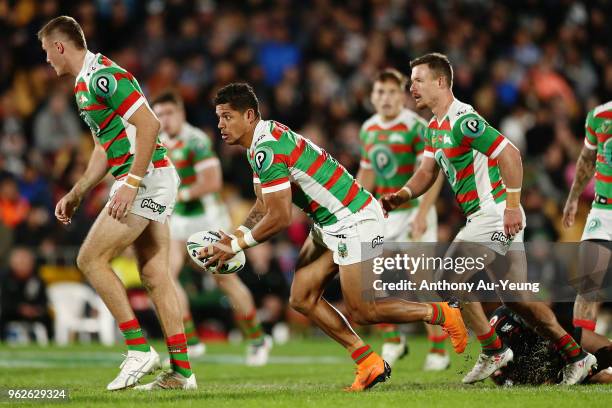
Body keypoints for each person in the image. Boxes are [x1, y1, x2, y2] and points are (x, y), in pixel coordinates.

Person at [201, 82, 467, 391]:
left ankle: (442, 312)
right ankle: (368, 362)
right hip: (330, 221)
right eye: (218, 117)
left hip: (353, 220)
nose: (220, 125)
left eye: (226, 117)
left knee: (363, 311)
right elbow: (264, 205)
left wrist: (235, 245)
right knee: (301, 297)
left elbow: (280, 217)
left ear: (249, 116)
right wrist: (235, 236)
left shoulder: (266, 148)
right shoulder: (261, 141)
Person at [380, 53, 596, 385]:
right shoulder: (434, 127)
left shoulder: (464, 120)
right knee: (518, 300)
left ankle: (493, 349)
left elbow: (510, 154)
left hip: (495, 215)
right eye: (411, 81)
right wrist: (403, 195)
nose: (412, 87)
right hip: (486, 216)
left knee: (449, 278)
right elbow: (426, 172)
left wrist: (511, 206)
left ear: (441, 82)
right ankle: (577, 356)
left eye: (419, 80)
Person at [38, 16, 195, 390]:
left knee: (89, 259)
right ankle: (183, 373)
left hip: (144, 179)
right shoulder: (83, 85)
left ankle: (138, 350)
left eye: (47, 52)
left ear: (60, 46)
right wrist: (78, 191)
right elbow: (103, 147)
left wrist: (132, 182)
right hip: (150, 178)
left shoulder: (102, 77)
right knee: (157, 277)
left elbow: (150, 124)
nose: (46, 60)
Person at [152, 91, 272, 366]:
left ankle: (257, 338)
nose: (164, 119)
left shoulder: (196, 141)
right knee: (164, 277)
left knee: (227, 281)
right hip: (178, 221)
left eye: (169, 113)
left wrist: (176, 196)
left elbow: (213, 182)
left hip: (208, 219)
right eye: (159, 114)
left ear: (181, 113)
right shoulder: (158, 141)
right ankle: (190, 342)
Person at [356, 68, 449, 370]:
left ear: (403, 95)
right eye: (380, 92)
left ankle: (438, 350)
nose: (385, 98)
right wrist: (354, 207)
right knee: (367, 279)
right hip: (383, 215)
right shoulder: (368, 129)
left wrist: (423, 213)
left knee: (421, 283)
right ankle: (394, 340)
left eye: (392, 92)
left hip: (412, 212)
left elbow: (433, 174)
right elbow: (367, 172)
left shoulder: (416, 127)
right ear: (372, 97)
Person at [562, 100, 612, 340]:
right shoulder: (600, 116)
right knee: (587, 288)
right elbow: (586, 159)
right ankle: (584, 360)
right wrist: (573, 198)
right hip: (603, 211)